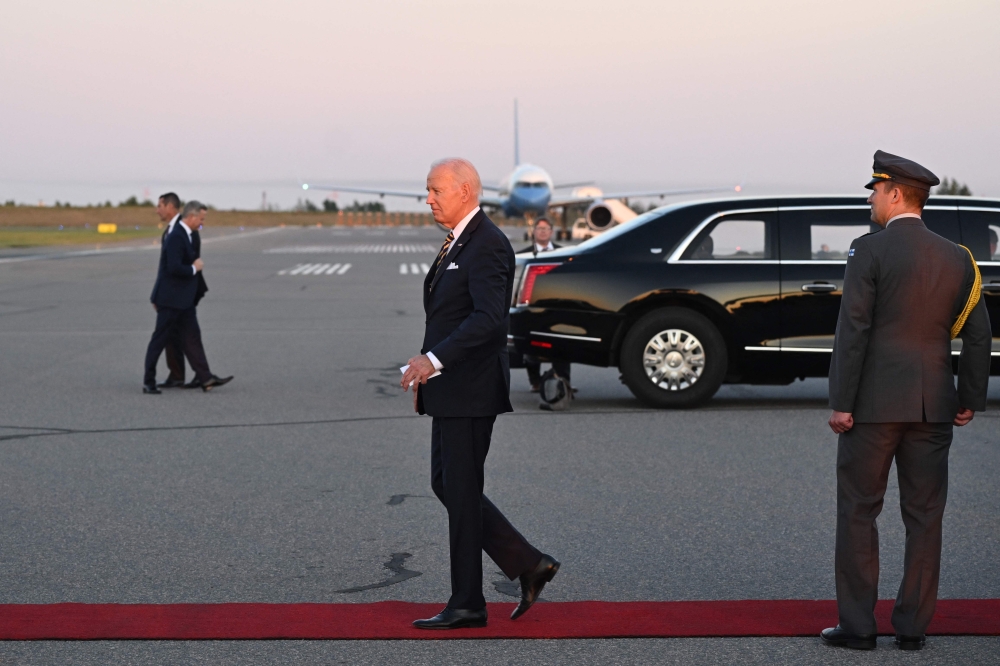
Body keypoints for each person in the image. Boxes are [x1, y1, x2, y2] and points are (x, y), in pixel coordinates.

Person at [821, 151, 991, 651]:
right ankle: (913, 627)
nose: (870, 201)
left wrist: (841, 400)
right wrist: (968, 397)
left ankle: (858, 627)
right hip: (934, 406)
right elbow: (978, 335)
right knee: (925, 517)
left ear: (895, 194)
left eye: (875, 191)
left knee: (859, 511)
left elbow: (853, 328)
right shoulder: (959, 257)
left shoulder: (867, 249)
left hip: (872, 408)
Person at [400, 158, 559, 630]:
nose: (428, 199)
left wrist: (434, 360)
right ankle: (528, 563)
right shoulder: (460, 241)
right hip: (452, 388)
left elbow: (489, 320)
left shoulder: (487, 244)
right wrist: (430, 365)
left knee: (461, 490)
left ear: (464, 191)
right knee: (449, 485)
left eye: (436, 190)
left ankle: (468, 602)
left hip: (469, 389)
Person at [143, 198, 233, 394]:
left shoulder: (190, 235)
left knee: (193, 337)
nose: (202, 222)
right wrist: (194, 268)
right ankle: (148, 381)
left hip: (184, 301)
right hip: (170, 300)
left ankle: (205, 378)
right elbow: (172, 268)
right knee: (159, 340)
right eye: (201, 218)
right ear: (191, 217)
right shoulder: (176, 236)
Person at [518, 218, 571, 391]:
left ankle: (563, 382)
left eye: (545, 228)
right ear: (534, 232)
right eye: (539, 228)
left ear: (551, 232)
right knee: (531, 346)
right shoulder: (523, 255)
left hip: (558, 307)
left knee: (561, 344)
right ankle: (535, 382)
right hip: (532, 307)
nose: (542, 231)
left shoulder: (565, 253)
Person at [161, 203, 211, 389]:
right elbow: (166, 267)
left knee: (188, 333)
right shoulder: (174, 231)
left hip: (183, 293)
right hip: (173, 293)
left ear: (169, 207)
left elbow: (190, 261)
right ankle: (185, 375)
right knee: (174, 334)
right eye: (201, 219)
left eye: (159, 206)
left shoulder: (189, 232)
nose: (157, 210)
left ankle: (201, 375)